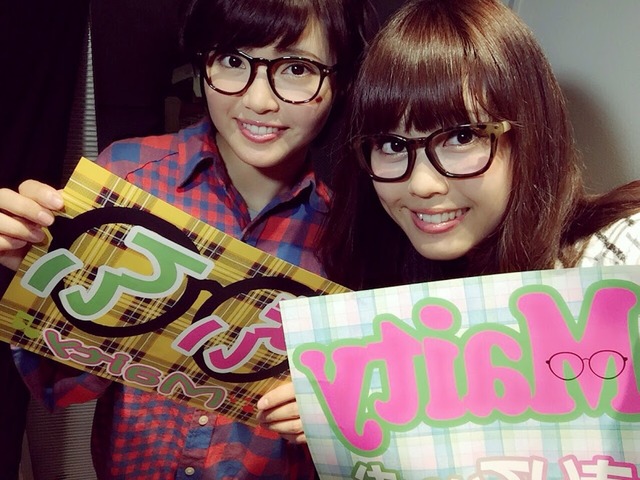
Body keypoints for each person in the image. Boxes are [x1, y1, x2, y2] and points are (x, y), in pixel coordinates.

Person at [0, 0, 375, 477]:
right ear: (203, 64)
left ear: (341, 82)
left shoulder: (349, 232)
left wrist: (333, 412)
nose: (259, 100)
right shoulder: (127, 178)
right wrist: (39, 273)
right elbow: (63, 383)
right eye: (233, 60)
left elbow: (360, 410)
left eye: (297, 69)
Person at [257, 0, 640, 440]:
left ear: (529, 133)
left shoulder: (613, 260)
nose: (421, 184)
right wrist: (347, 426)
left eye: (461, 136)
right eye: (392, 144)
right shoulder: (383, 295)